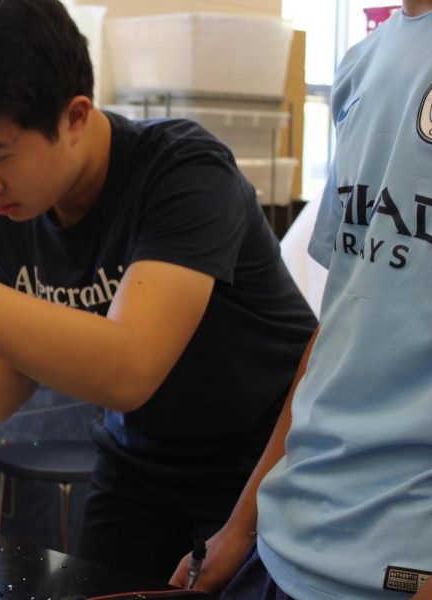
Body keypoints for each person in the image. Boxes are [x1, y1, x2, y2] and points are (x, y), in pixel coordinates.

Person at [0, 0, 316, 580]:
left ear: (74, 117)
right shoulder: (11, 201)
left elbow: (128, 369)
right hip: (141, 468)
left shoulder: (185, 174)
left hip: (261, 466)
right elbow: (21, 357)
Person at [167, 1, 432, 597]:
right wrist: (241, 526)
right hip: (289, 544)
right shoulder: (364, 63)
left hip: (399, 565)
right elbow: (341, 329)